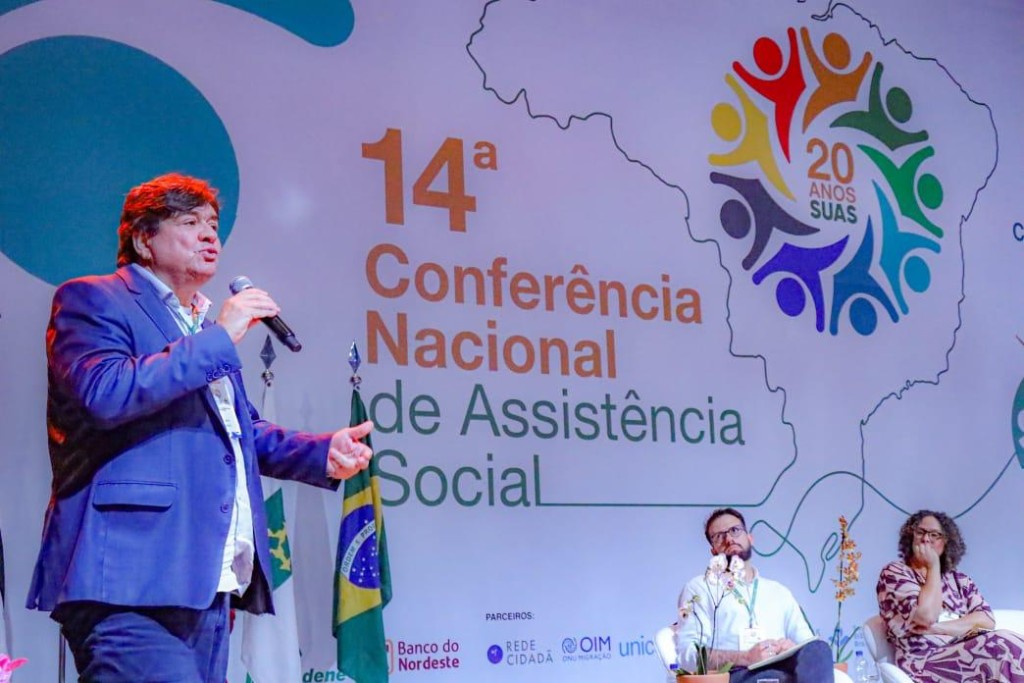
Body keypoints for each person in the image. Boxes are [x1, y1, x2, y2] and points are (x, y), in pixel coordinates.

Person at [26, 173, 375, 682]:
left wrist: (322, 452)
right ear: (144, 239)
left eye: (212, 223)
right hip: (128, 581)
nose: (210, 234)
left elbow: (240, 431)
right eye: (189, 223)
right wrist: (220, 338)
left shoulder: (200, 329)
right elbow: (105, 394)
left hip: (207, 583)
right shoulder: (94, 300)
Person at [675, 508, 840, 683]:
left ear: (750, 538)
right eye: (719, 537)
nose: (729, 539)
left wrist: (792, 647)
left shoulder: (779, 592)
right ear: (713, 551)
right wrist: (745, 657)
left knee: (818, 648)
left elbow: (807, 643)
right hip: (738, 673)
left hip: (784, 666)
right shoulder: (700, 588)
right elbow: (688, 655)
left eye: (735, 530)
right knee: (775, 679)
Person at [877, 510, 1024, 682]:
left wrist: (938, 628)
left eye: (934, 534)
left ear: (946, 542)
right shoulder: (896, 573)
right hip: (924, 664)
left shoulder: (959, 580)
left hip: (968, 655)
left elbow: (986, 620)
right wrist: (933, 567)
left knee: (1011, 644)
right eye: (920, 532)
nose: (926, 539)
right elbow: (926, 616)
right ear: (911, 537)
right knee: (1001, 644)